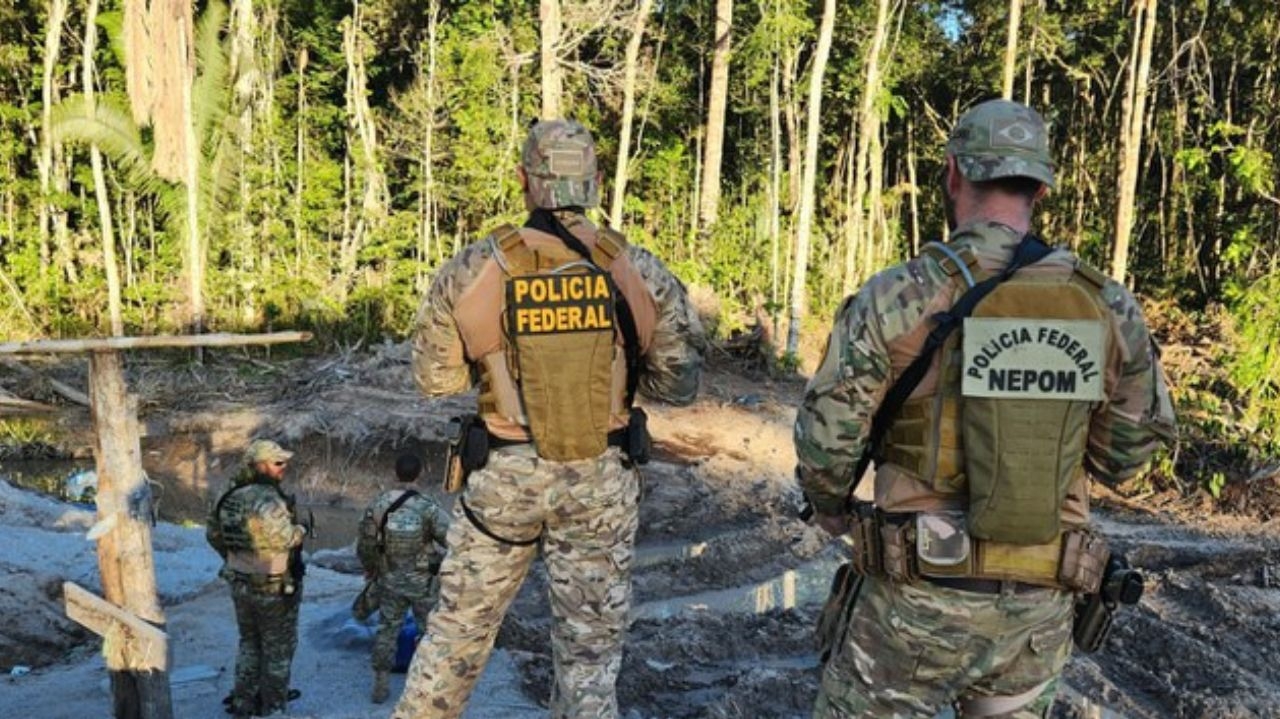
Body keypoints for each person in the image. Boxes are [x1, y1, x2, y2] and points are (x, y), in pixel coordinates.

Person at [794, 99, 1177, 718]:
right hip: (1037, 608)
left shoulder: (896, 295)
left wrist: (833, 507)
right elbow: (1126, 458)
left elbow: (827, 442)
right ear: (1042, 186)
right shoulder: (1105, 304)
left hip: (912, 604)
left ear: (953, 174)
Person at [392, 118, 706, 719]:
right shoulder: (637, 271)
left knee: (453, 641)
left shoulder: (474, 269)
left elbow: (435, 380)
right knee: (588, 665)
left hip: (503, 479)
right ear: (594, 181)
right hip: (598, 482)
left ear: (524, 181)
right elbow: (679, 383)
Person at [206, 439, 308, 718]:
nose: (282, 468)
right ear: (259, 465)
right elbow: (284, 538)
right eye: (277, 463)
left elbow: (213, 535)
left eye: (284, 462)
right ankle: (273, 708)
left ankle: (243, 703)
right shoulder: (268, 498)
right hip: (273, 587)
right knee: (278, 649)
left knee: (249, 642)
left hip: (240, 582)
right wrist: (302, 529)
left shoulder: (228, 495)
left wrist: (240, 560)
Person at [356, 452, 451, 704]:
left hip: (389, 581)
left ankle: (380, 685)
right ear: (419, 474)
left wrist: (371, 568)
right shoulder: (428, 506)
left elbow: (365, 543)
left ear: (395, 473)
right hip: (423, 583)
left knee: (387, 630)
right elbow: (450, 539)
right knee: (428, 631)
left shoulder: (379, 504)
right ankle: (426, 686)